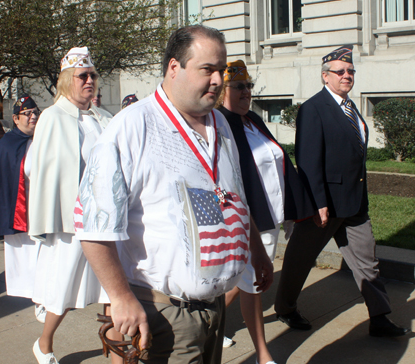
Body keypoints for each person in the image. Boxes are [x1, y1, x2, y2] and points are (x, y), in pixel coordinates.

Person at [74, 25, 273, 364]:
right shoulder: (132, 127)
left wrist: (256, 250)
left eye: (221, 70)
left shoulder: (220, 124)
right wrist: (120, 297)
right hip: (164, 316)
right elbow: (93, 227)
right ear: (174, 67)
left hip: (214, 312)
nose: (217, 80)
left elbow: (233, 196)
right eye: (207, 69)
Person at [274, 45, 410, 338]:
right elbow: (308, 160)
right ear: (326, 76)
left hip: (355, 204)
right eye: (340, 71)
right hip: (326, 205)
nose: (347, 75)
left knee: (367, 261)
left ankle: (380, 318)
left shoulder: (350, 107)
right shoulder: (313, 108)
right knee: (300, 259)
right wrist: (318, 202)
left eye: (350, 71)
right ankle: (285, 307)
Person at [217, 60, 315, 364]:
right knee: (253, 284)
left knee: (241, 282)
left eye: (249, 86)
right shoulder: (220, 124)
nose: (247, 92)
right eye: (238, 87)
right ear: (222, 91)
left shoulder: (254, 121)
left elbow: (277, 161)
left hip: (270, 214)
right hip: (247, 220)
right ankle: (262, 354)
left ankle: (209, 321)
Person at [28, 46, 112, 364]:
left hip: (106, 216)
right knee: (64, 287)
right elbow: (39, 168)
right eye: (83, 76)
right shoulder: (52, 118)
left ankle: (115, 345)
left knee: (113, 284)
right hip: (72, 218)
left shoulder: (103, 117)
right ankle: (45, 343)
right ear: (67, 80)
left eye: (93, 75)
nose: (90, 80)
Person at [0, 94, 46, 322]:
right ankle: (35, 297)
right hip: (19, 207)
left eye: (35, 113)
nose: (33, 117)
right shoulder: (9, 143)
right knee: (25, 254)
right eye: (27, 114)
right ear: (15, 118)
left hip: (38, 206)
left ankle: (41, 293)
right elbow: (2, 180)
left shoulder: (40, 137)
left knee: (41, 253)